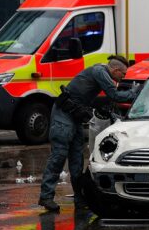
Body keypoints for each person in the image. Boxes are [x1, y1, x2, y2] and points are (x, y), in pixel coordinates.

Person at [38, 58, 137, 212]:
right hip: (63, 115)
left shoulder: (99, 72)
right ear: (115, 70)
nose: (123, 77)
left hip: (74, 116)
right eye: (122, 74)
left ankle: (80, 199)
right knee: (59, 156)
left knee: (77, 160)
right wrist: (136, 93)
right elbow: (115, 95)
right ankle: (46, 196)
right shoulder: (100, 71)